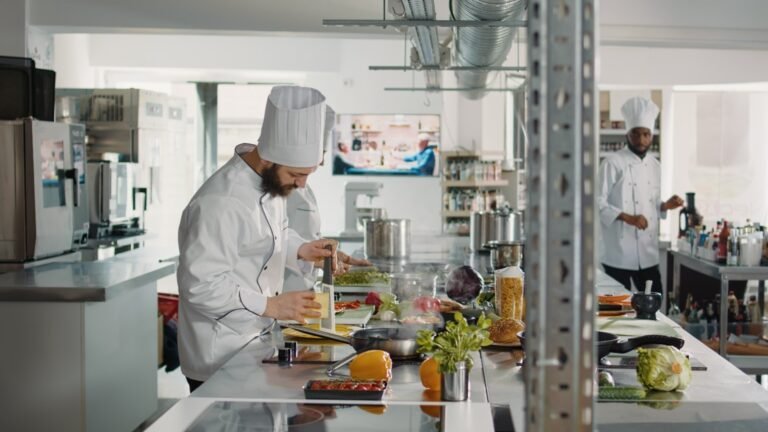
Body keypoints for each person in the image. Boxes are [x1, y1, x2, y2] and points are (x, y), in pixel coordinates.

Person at [176, 86, 338, 392]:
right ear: (269, 160)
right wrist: (270, 306)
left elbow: (269, 236)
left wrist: (301, 249)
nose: (302, 184)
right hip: (218, 352)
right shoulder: (221, 202)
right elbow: (200, 285)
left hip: (252, 341)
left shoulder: (269, 185)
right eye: (296, 174)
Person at [598, 97, 684, 294]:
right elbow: (597, 201)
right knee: (617, 307)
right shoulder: (612, 163)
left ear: (651, 135)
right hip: (618, 253)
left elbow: (651, 204)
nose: (641, 140)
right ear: (628, 134)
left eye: (646, 134)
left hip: (647, 252)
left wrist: (665, 206)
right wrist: (628, 217)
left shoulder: (655, 166)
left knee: (654, 299)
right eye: (636, 134)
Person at [285, 105, 370, 291]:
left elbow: (299, 237)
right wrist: (316, 259)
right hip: (285, 290)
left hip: (304, 288)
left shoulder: (304, 187)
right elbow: (271, 243)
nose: (323, 161)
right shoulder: (275, 188)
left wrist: (330, 255)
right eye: (320, 154)